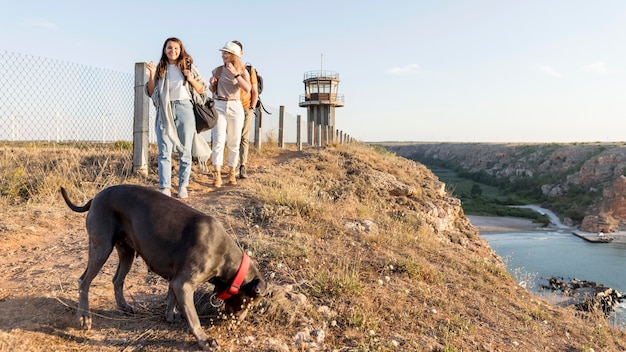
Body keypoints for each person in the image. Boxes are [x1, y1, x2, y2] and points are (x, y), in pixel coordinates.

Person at [145, 37, 210, 198]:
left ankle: (183, 185)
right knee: (164, 150)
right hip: (165, 111)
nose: (172, 51)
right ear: (164, 50)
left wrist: (190, 78)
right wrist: (152, 74)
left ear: (180, 50)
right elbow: (152, 92)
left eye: (175, 48)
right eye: (169, 48)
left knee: (185, 150)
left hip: (184, 108)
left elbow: (202, 89)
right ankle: (165, 187)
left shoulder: (188, 66)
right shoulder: (161, 68)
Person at [208, 41, 251, 187]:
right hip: (219, 104)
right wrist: (212, 83)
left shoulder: (243, 71)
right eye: (223, 52)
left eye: (226, 53)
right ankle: (217, 174)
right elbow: (212, 90)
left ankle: (232, 172)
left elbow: (247, 89)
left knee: (234, 141)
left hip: (235, 106)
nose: (223, 55)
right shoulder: (217, 70)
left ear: (234, 55)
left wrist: (236, 74)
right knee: (218, 140)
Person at [232, 40, 259, 179]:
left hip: (245, 107)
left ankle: (242, 165)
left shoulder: (249, 70)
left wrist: (252, 108)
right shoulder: (226, 67)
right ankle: (234, 164)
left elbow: (254, 90)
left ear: (241, 53)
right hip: (231, 108)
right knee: (233, 137)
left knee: (244, 137)